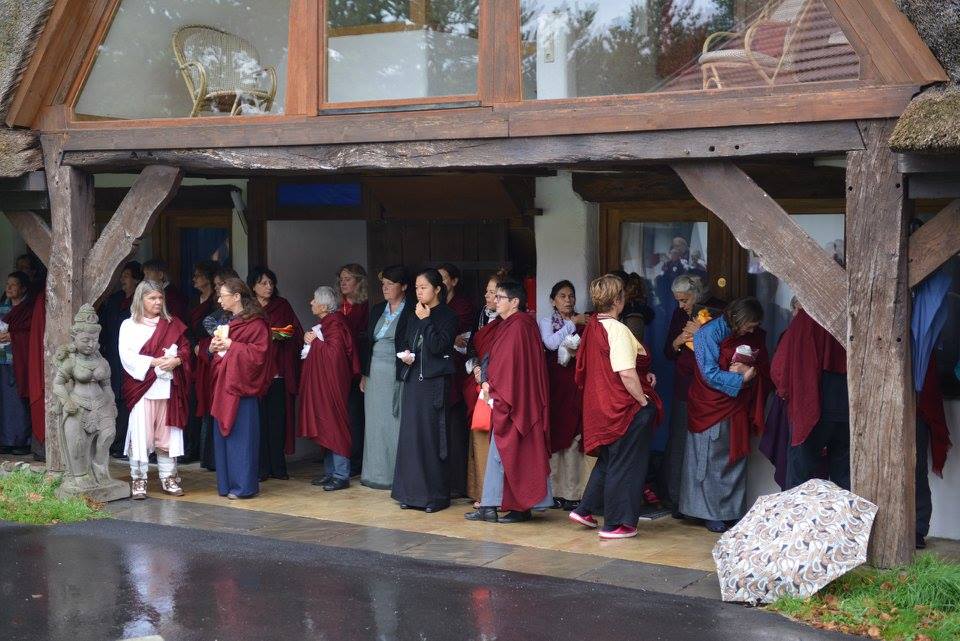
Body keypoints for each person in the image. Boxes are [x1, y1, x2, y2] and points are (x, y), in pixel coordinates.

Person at [567, 274, 662, 539]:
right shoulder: (618, 329)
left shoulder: (594, 324)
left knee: (610, 459)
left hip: (600, 405)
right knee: (625, 464)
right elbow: (626, 372)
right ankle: (615, 524)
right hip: (622, 408)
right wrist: (643, 400)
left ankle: (585, 509)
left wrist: (644, 376)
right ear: (619, 300)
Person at [465, 279, 552, 524]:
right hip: (513, 398)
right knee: (503, 453)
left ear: (515, 302)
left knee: (505, 452)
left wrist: (491, 385)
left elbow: (509, 367)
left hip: (516, 400)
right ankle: (495, 505)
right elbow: (498, 359)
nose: (495, 300)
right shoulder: (513, 325)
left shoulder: (519, 326)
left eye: (500, 297)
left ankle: (505, 506)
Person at [682, 297, 769, 533]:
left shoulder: (751, 335)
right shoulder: (706, 334)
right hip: (710, 404)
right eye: (749, 325)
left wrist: (751, 371)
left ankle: (731, 510)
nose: (753, 330)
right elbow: (708, 373)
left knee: (734, 457)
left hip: (736, 405)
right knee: (709, 459)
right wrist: (741, 378)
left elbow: (763, 364)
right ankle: (709, 513)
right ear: (738, 320)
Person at [392, 268, 458, 513]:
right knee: (411, 438)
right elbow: (408, 343)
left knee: (431, 438)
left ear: (437, 289)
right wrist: (406, 356)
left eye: (424, 287)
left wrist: (426, 320)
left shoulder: (447, 316)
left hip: (433, 384)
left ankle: (434, 497)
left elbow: (439, 346)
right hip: (413, 382)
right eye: (417, 287)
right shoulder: (413, 312)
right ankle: (410, 494)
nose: (419, 292)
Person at [119, 280, 192, 498]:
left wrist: (177, 361)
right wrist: (156, 362)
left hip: (167, 387)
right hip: (142, 387)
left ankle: (168, 477)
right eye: (152, 298)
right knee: (141, 434)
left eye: (160, 298)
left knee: (166, 435)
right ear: (140, 299)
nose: (158, 302)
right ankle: (138, 479)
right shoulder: (128, 325)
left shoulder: (172, 323)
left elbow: (187, 350)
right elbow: (127, 357)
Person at [661, 274, 725, 516]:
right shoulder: (679, 315)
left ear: (697, 295)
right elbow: (668, 351)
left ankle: (702, 504)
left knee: (707, 446)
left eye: (685, 300)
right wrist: (679, 340)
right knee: (679, 442)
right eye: (678, 301)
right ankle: (676, 501)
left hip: (710, 388)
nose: (681, 306)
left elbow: (726, 349)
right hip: (685, 386)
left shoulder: (717, 310)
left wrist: (702, 332)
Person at [770, 305, 849, 491]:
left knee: (800, 479)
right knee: (845, 479)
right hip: (848, 405)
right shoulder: (854, 312)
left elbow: (779, 368)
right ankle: (840, 520)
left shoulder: (808, 316)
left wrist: (788, 394)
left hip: (811, 403)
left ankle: (797, 520)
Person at [209, 277, 271, 500]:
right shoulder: (231, 322)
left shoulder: (256, 323)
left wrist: (232, 346)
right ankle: (226, 485)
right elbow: (220, 355)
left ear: (236, 297)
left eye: (223, 295)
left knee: (242, 439)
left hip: (242, 390)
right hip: (224, 387)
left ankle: (243, 486)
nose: (219, 299)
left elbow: (259, 355)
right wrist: (214, 347)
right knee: (225, 439)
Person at [299, 286, 360, 491]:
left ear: (324, 305)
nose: (311, 303)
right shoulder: (326, 323)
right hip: (325, 383)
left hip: (334, 384)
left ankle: (341, 475)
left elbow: (335, 356)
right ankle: (330, 473)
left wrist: (314, 342)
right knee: (327, 425)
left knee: (336, 425)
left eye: (314, 300)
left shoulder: (336, 323)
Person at [360, 266, 413, 490]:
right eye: (383, 284)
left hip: (396, 369)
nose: (385, 288)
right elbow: (368, 342)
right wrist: (364, 373)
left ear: (404, 287)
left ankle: (394, 475)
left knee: (395, 421)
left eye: (391, 284)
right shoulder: (377, 309)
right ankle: (375, 474)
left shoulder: (412, 309)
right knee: (374, 423)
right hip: (375, 371)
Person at [249, 267, 304, 481]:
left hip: (278, 371)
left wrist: (272, 334)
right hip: (255, 373)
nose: (268, 287)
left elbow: (292, 331)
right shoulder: (248, 307)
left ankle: (278, 466)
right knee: (258, 421)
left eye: (271, 283)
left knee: (277, 420)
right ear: (253, 286)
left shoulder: (282, 305)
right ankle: (261, 468)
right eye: (263, 283)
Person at [538, 280, 588, 511]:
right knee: (556, 437)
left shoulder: (585, 321)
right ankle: (555, 492)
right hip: (554, 385)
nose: (568, 300)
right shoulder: (547, 322)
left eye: (571, 296)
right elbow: (550, 344)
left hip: (576, 385)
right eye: (562, 296)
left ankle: (574, 492)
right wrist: (571, 325)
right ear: (553, 300)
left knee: (575, 436)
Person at [463, 270, 506, 504]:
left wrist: (487, 372)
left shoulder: (509, 322)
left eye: (493, 292)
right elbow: (473, 346)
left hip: (496, 384)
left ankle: (496, 495)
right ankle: (479, 490)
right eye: (487, 292)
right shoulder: (480, 316)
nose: (488, 297)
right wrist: (477, 367)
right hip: (478, 383)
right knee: (479, 434)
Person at [438, 262, 476, 498]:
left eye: (444, 278)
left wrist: (448, 338)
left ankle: (457, 484)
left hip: (457, 374)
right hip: (440, 374)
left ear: (453, 281)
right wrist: (450, 339)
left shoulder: (462, 305)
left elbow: (458, 334)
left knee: (455, 429)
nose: (440, 283)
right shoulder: (435, 306)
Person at [99, 261, 144, 459]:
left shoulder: (140, 302)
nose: (122, 280)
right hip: (114, 357)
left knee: (128, 398)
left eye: (126, 276)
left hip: (133, 358)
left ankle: (127, 443)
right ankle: (115, 442)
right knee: (114, 397)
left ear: (136, 279)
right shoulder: (115, 300)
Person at [197, 267, 239, 470]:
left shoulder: (247, 316)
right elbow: (209, 324)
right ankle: (214, 460)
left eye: (219, 287)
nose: (217, 294)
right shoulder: (216, 316)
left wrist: (230, 342)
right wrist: (216, 342)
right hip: (219, 370)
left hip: (238, 374)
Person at [184, 260, 219, 464]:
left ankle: (206, 452)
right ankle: (192, 447)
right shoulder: (193, 301)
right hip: (195, 354)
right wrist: (194, 344)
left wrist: (204, 346)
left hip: (209, 355)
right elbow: (187, 326)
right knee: (193, 398)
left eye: (198, 275)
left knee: (206, 400)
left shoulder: (215, 303)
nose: (194, 279)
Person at [338, 263, 369, 477]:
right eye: (341, 279)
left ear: (359, 282)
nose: (343, 282)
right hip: (338, 366)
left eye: (348, 279)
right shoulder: (336, 305)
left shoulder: (365, 306)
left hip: (356, 367)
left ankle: (356, 460)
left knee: (355, 415)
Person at [0, 272, 34, 455]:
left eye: (14, 285)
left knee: (19, 400)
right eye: (8, 284)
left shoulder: (28, 309)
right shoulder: (2, 308)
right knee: (5, 401)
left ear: (23, 289)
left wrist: (13, 336)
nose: (9, 287)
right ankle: (6, 439)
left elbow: (30, 335)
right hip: (3, 360)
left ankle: (22, 441)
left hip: (21, 361)